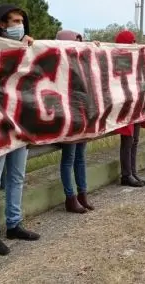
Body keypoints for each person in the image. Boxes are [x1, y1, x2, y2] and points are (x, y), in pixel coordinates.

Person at [0, 4, 40, 257]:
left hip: (20, 122)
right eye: (14, 21)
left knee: (17, 177)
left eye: (21, 21)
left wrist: (28, 50)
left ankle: (14, 224)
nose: (19, 25)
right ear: (2, 24)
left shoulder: (25, 46)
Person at [53, 29, 95, 213]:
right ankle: (70, 197)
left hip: (82, 115)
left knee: (80, 158)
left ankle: (82, 194)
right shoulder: (59, 65)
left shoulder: (82, 63)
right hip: (69, 117)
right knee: (69, 158)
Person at [113, 30, 145, 186]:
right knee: (128, 140)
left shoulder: (134, 59)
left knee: (134, 140)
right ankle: (126, 174)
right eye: (132, 41)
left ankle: (133, 172)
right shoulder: (119, 61)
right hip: (126, 105)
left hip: (135, 104)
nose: (134, 44)